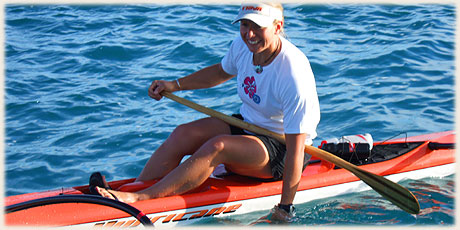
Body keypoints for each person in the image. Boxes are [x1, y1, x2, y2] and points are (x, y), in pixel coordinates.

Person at [94, 2, 320, 221]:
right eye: (244, 25)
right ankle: (135, 187)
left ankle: (139, 198)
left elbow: (296, 149)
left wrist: (285, 206)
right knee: (184, 133)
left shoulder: (293, 73)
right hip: (248, 124)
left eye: (258, 27)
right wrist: (174, 85)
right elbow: (220, 73)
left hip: (281, 146)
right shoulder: (243, 47)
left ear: (277, 27)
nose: (249, 34)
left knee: (217, 147)